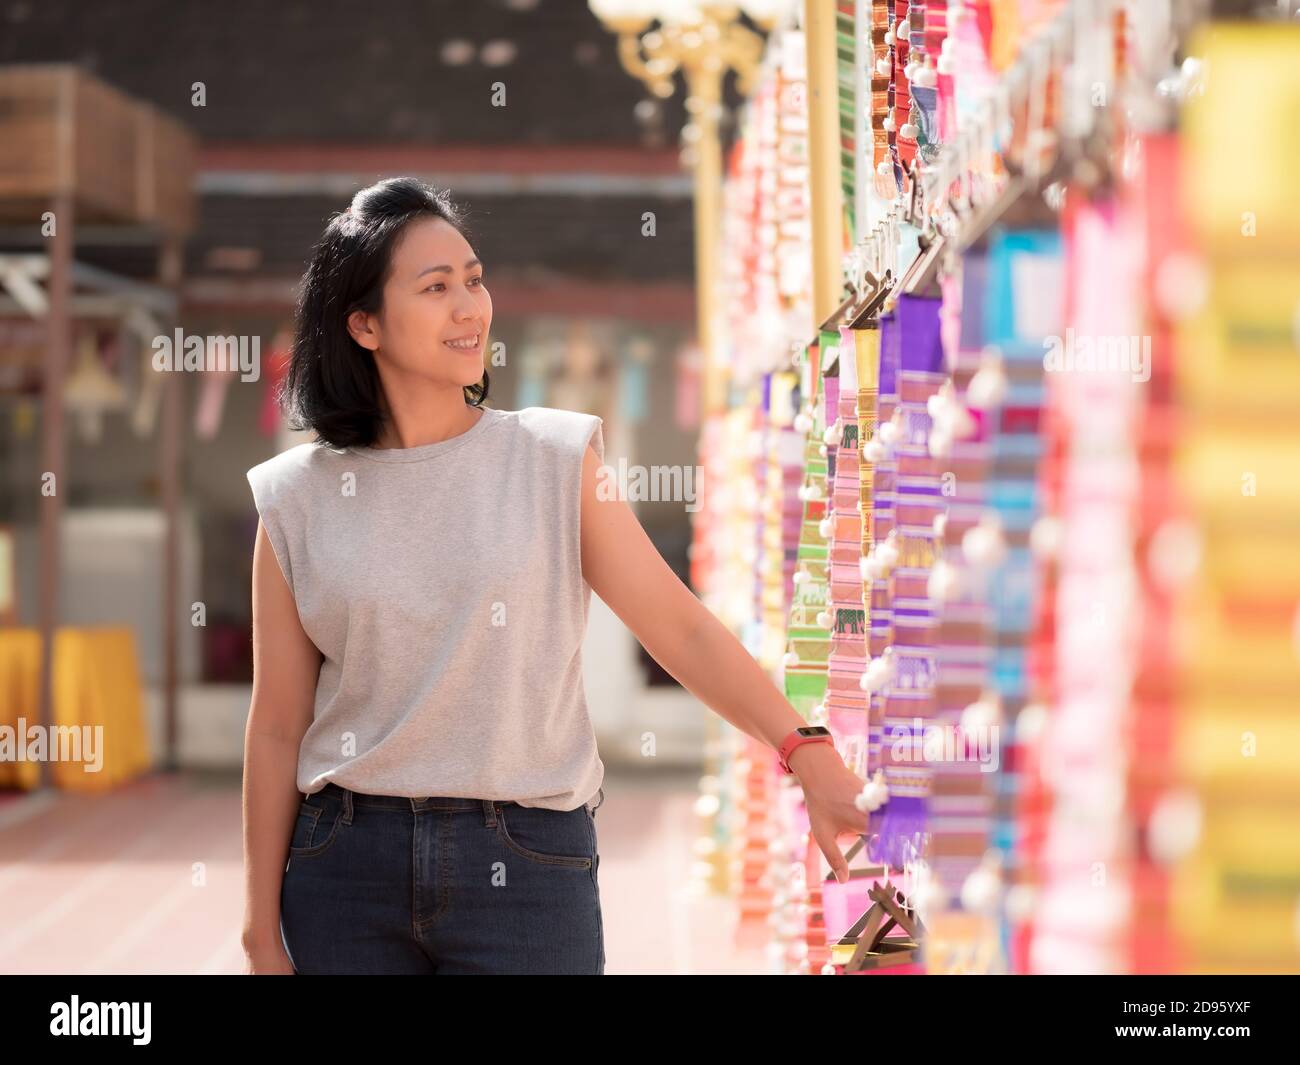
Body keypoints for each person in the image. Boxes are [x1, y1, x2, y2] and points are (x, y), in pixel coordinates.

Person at [240, 177, 866, 975]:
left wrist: (803, 747)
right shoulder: (295, 497)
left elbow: (676, 625)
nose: (469, 306)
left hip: (526, 864)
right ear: (363, 323)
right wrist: (261, 931)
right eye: (436, 288)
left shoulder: (554, 459)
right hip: (343, 868)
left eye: (473, 278)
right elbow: (276, 726)